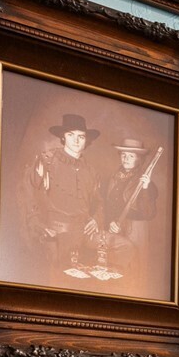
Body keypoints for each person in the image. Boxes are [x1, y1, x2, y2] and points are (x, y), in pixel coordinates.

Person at [24, 113, 102, 280]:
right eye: (70, 135)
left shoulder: (91, 170)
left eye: (81, 136)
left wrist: (95, 219)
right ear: (62, 137)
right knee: (61, 278)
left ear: (86, 140)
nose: (76, 140)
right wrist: (38, 225)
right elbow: (29, 194)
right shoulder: (47, 160)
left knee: (124, 248)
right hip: (57, 233)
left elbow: (98, 202)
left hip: (84, 233)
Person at [95, 138, 159, 281]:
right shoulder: (113, 178)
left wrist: (145, 188)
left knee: (133, 269)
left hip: (134, 230)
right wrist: (111, 222)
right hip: (115, 228)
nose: (126, 159)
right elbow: (107, 205)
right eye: (123, 155)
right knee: (113, 269)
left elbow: (149, 213)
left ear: (139, 159)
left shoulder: (145, 182)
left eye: (131, 156)